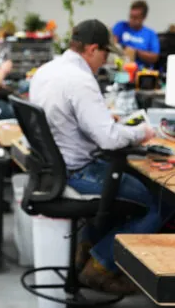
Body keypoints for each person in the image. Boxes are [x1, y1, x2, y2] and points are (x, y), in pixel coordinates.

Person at [29, 19, 160, 294]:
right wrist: (143, 132)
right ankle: (99, 267)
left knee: (126, 190)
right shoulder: (81, 80)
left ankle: (85, 253)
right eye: (104, 53)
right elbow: (108, 139)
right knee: (157, 203)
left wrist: (101, 120)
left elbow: (64, 119)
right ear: (91, 49)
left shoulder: (47, 70)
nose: (104, 60)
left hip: (51, 171)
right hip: (77, 173)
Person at [112, 0, 160, 69]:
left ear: (144, 17)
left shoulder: (151, 34)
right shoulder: (120, 26)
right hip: (121, 67)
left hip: (141, 71)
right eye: (131, 16)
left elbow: (154, 57)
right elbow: (113, 44)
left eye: (135, 17)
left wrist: (135, 52)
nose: (132, 20)